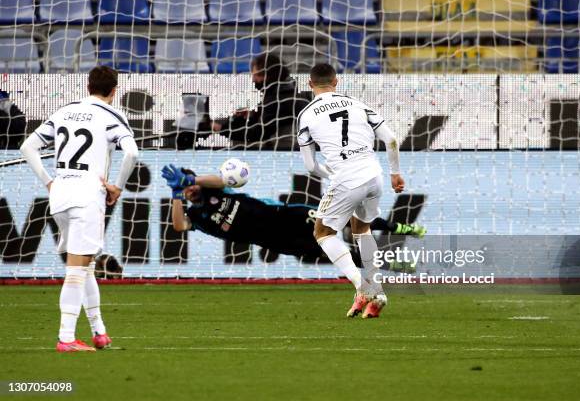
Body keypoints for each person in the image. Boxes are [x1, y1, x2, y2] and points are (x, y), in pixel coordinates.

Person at [20, 66, 139, 352]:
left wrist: (49, 182)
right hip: (88, 194)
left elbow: (27, 147)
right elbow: (133, 153)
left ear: (87, 86)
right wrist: (118, 187)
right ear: (114, 90)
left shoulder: (64, 111)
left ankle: (99, 331)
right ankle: (66, 338)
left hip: (60, 193)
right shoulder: (111, 116)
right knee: (77, 269)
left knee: (86, 267)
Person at [297, 63, 404, 319]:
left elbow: (311, 166)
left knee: (322, 232)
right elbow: (391, 139)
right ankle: (378, 292)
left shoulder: (306, 114)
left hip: (346, 179)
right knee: (362, 229)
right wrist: (395, 173)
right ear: (337, 82)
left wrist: (331, 175)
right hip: (374, 176)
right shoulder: (357, 104)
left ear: (310, 84)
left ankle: (363, 286)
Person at [161, 165, 425, 262]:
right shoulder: (196, 216)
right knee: (330, 251)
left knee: (342, 220)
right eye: (186, 188)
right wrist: (176, 194)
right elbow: (178, 226)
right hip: (274, 240)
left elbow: (222, 180)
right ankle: (388, 264)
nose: (191, 189)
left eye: (192, 184)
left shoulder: (213, 190)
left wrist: (190, 178)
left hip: (285, 215)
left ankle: (397, 228)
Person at [212, 53, 308, 150]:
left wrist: (223, 128)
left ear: (270, 75)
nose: (254, 79)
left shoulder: (280, 98)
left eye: (258, 75)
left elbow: (258, 134)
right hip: (293, 146)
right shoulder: (286, 88)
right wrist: (253, 113)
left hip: (288, 150)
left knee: (239, 145)